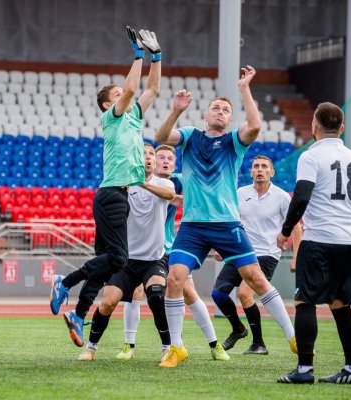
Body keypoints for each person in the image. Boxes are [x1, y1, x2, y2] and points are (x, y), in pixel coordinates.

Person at [154, 66, 295, 368]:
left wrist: (244, 89)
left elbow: (255, 126)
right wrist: (176, 110)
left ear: (230, 119)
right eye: (215, 108)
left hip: (227, 225)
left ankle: (292, 336)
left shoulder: (233, 142)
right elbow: (161, 136)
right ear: (206, 115)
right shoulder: (191, 137)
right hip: (192, 226)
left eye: (225, 110)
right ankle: (176, 348)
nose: (219, 111)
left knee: (255, 279)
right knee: (175, 279)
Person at [49, 27, 162, 347]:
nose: (122, 95)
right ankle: (65, 282)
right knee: (118, 260)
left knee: (104, 263)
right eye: (114, 95)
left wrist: (157, 57)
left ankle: (79, 314)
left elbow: (151, 89)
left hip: (116, 195)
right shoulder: (113, 117)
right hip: (113, 193)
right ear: (105, 105)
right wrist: (137, 55)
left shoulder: (134, 117)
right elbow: (130, 89)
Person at [276, 102, 351, 384]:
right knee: (341, 304)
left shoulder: (311, 157)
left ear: (314, 127)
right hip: (347, 242)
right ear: (341, 128)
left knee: (305, 301)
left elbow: (302, 196)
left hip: (319, 239)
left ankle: (305, 370)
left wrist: (285, 231)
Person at [117, 145, 229, 362]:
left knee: (189, 292)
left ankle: (214, 344)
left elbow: (205, 199)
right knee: (135, 292)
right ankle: (129, 344)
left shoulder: (180, 180)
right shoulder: (140, 181)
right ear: (151, 161)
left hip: (171, 248)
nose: (165, 161)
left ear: (175, 164)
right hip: (144, 250)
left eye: (170, 158)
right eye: (160, 157)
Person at [77, 143, 175, 361]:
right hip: (125, 259)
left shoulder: (163, 183)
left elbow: (170, 194)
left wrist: (141, 182)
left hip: (153, 259)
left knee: (156, 297)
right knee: (108, 303)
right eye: (143, 154)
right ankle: (91, 348)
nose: (148, 157)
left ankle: (167, 348)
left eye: (151, 154)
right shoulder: (123, 186)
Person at [212, 155, 302, 355]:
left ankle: (259, 343)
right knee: (218, 294)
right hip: (240, 251)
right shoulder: (241, 193)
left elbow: (296, 227)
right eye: (256, 166)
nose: (260, 169)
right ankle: (238, 329)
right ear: (251, 172)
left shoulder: (281, 196)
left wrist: (297, 256)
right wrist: (221, 247)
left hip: (266, 254)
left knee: (244, 294)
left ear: (272, 172)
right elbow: (231, 222)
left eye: (264, 167)